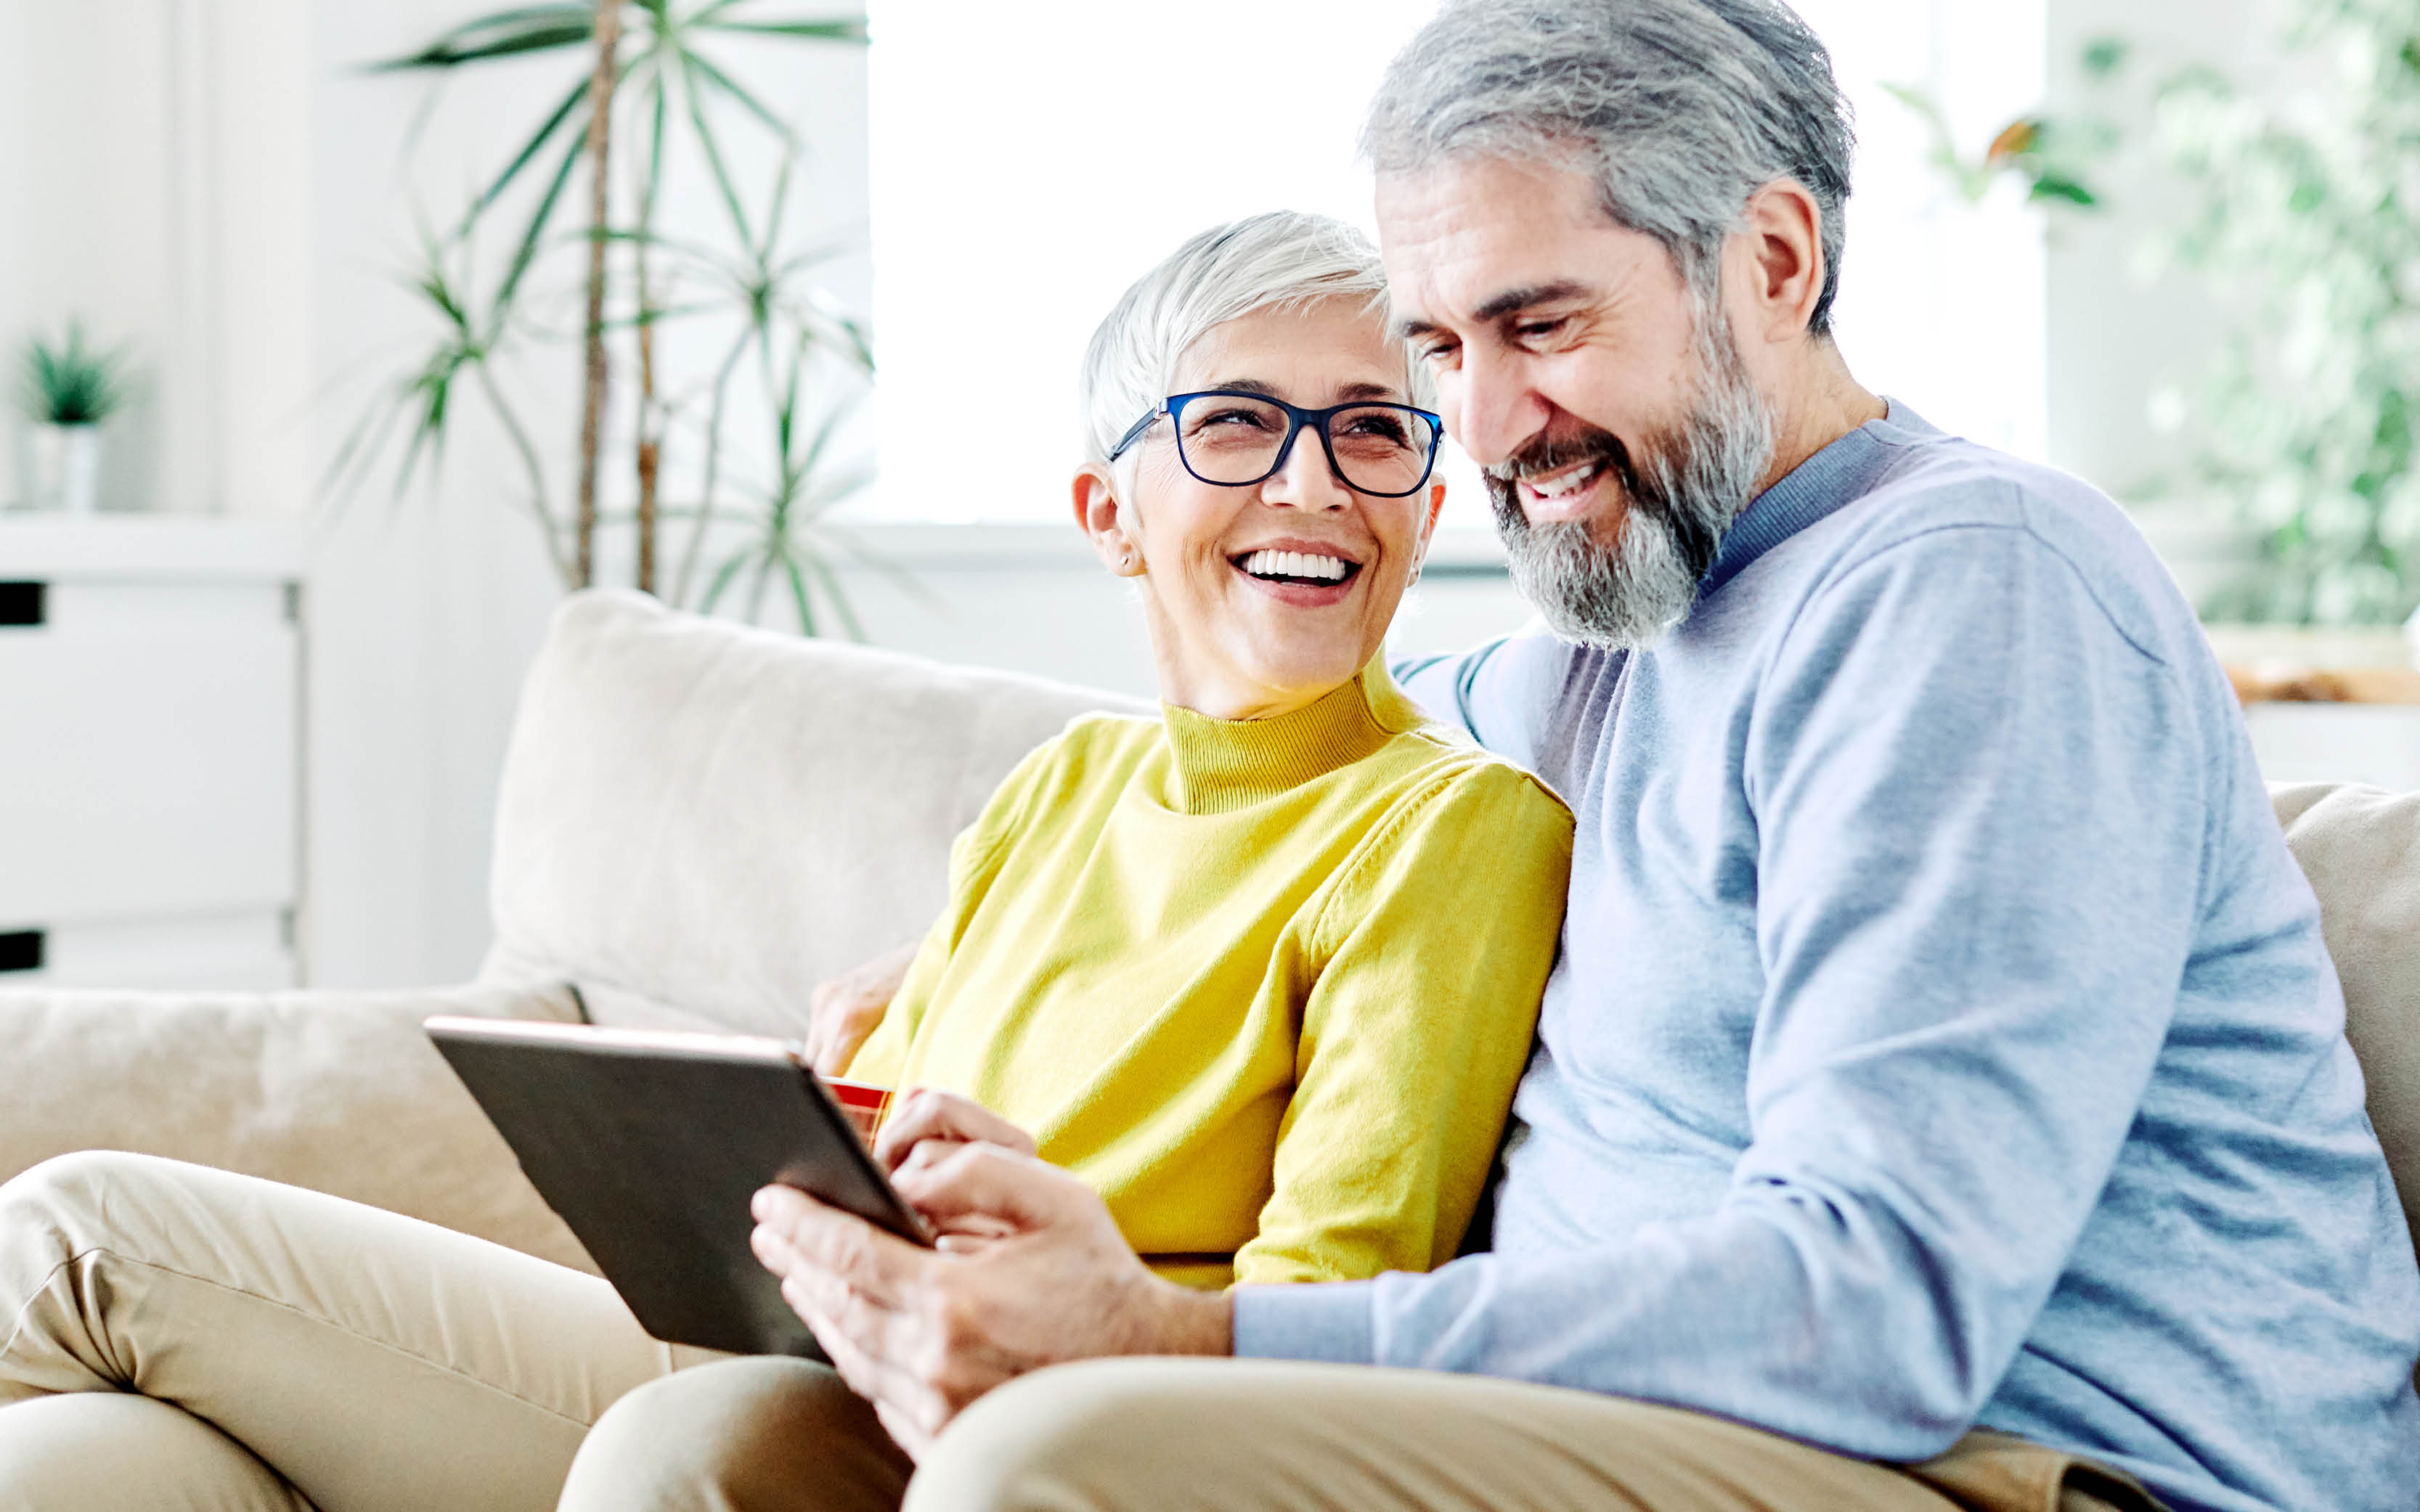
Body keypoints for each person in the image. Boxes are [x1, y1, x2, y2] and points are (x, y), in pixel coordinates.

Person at [736, 4, 2420, 1512]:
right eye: (1442, 351)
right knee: (725, 1452)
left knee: (1052, 1459)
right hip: (1679, 1435)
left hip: (2023, 1461)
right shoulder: (1603, 645)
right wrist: (987, 952)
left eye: (1538, 325)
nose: (1480, 427)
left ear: (1771, 260)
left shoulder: (1969, 591)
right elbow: (1275, 774)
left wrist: (1180, 1330)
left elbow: (1876, 1307)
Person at [0, 211, 1574, 1510]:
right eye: (1236, 423)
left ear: (1424, 501)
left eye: (1371, 433)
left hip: (995, 1421)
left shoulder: (1449, 828)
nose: (1310, 484)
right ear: (1109, 511)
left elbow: (1327, 1309)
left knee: (82, 1232)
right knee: (98, 1464)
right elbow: (906, 1135)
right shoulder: (1066, 784)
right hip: (784, 1333)